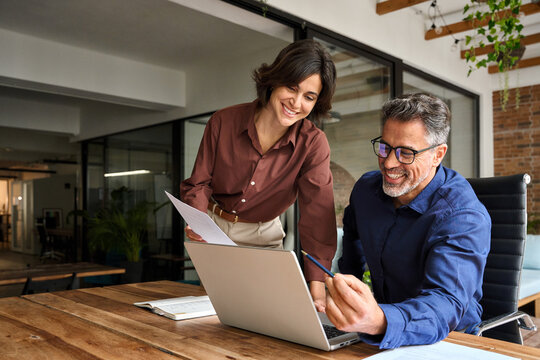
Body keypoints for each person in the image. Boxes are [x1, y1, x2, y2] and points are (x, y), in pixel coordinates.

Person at [180, 39, 337, 311]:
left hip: (265, 235)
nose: (296, 103)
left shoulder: (313, 143)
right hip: (214, 230)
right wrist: (197, 219)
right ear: (275, 81)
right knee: (216, 314)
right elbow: (199, 182)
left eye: (309, 97)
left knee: (266, 314)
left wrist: (317, 287)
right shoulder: (224, 121)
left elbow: (317, 215)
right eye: (292, 87)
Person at [324, 93, 491, 349]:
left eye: (406, 153)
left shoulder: (463, 216)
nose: (389, 163)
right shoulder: (366, 191)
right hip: (377, 329)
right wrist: (348, 292)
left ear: (438, 155)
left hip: (448, 339)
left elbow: (445, 303)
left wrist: (380, 320)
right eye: (385, 147)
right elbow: (353, 235)